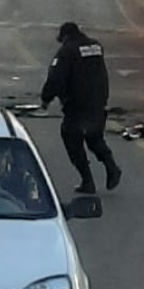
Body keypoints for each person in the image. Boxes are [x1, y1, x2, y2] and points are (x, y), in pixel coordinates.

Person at [41, 22, 122, 194]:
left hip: (77, 104)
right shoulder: (95, 46)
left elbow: (56, 78)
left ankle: (87, 181)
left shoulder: (66, 52)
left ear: (64, 36)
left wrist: (46, 98)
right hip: (98, 101)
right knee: (94, 138)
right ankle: (111, 166)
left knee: (71, 139)